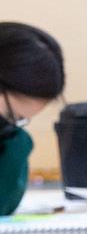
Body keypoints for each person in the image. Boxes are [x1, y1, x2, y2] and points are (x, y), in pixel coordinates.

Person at [0, 22, 65, 216]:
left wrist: (13, 145)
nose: (9, 127)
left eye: (19, 121)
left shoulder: (13, 141)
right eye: (9, 116)